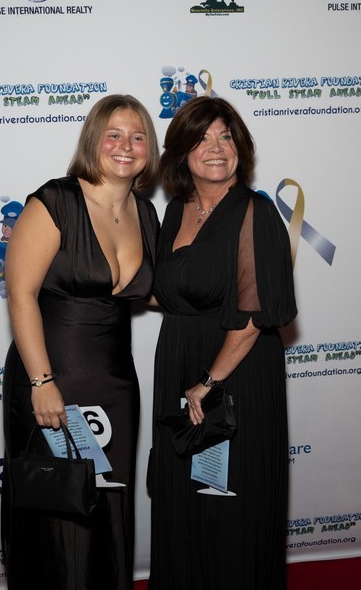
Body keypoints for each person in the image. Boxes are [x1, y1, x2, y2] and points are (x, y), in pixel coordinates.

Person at [1, 94, 160, 590]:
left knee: (108, 509)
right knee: (55, 512)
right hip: (53, 377)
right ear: (93, 140)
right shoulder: (56, 201)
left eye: (137, 136)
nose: (125, 146)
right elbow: (21, 293)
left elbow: (153, 292)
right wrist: (41, 381)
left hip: (114, 385)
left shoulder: (145, 214)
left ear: (149, 149)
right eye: (114, 134)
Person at [148, 95, 297, 590]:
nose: (216, 147)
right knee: (183, 500)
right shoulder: (176, 212)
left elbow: (252, 317)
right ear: (181, 152)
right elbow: (170, 291)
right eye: (202, 138)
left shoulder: (255, 211)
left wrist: (208, 382)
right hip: (180, 364)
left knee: (231, 506)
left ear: (240, 148)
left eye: (226, 136)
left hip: (234, 375)